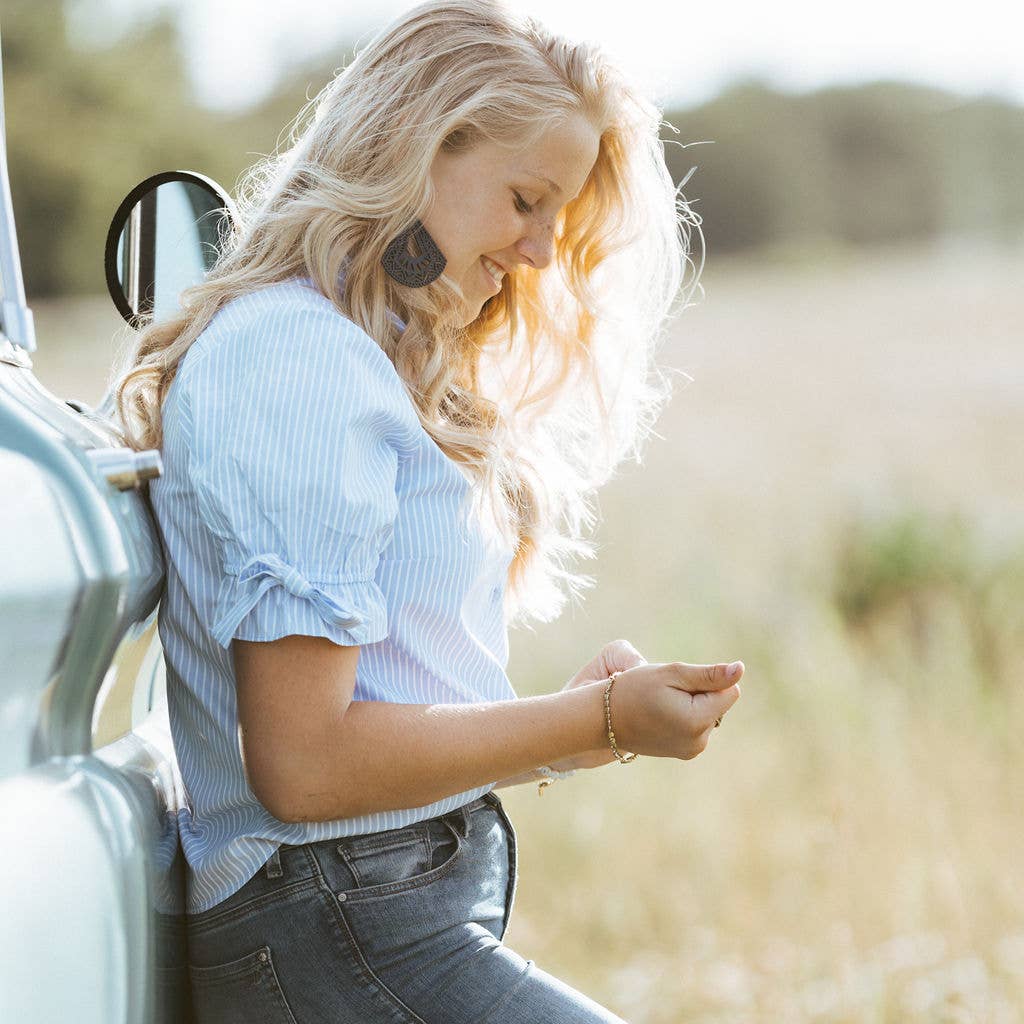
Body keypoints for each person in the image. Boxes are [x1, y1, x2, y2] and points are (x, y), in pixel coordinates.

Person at [110, 1, 743, 1020]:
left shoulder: (345, 358)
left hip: (365, 915)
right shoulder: (294, 356)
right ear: (414, 149)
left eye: (558, 218)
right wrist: (599, 717)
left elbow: (374, 706)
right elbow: (306, 766)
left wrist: (577, 734)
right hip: (331, 923)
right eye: (527, 199)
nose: (539, 251)